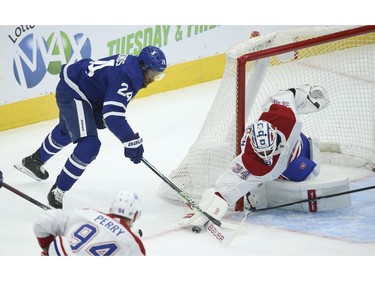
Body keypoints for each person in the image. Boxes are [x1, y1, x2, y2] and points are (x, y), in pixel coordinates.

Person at [14, 46, 167, 209]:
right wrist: (131, 141)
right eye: (152, 74)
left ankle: (34, 161)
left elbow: (109, 97)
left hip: (81, 89)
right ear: (143, 65)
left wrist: (104, 115)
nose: (152, 79)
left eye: (158, 76)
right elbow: (113, 115)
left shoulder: (132, 64)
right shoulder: (132, 75)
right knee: (90, 145)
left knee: (67, 131)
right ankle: (58, 190)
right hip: (75, 92)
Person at [180, 84, 330, 227]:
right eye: (261, 152)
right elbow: (234, 178)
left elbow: (288, 94)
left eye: (268, 151)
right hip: (288, 168)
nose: (266, 157)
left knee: (310, 164)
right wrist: (219, 197)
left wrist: (308, 94)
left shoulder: (285, 117)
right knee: (304, 172)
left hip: (299, 144)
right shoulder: (252, 159)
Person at [33, 190, 145, 256]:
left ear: (112, 208)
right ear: (135, 215)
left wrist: (47, 249)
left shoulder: (86, 214)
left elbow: (42, 221)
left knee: (59, 244)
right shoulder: (134, 245)